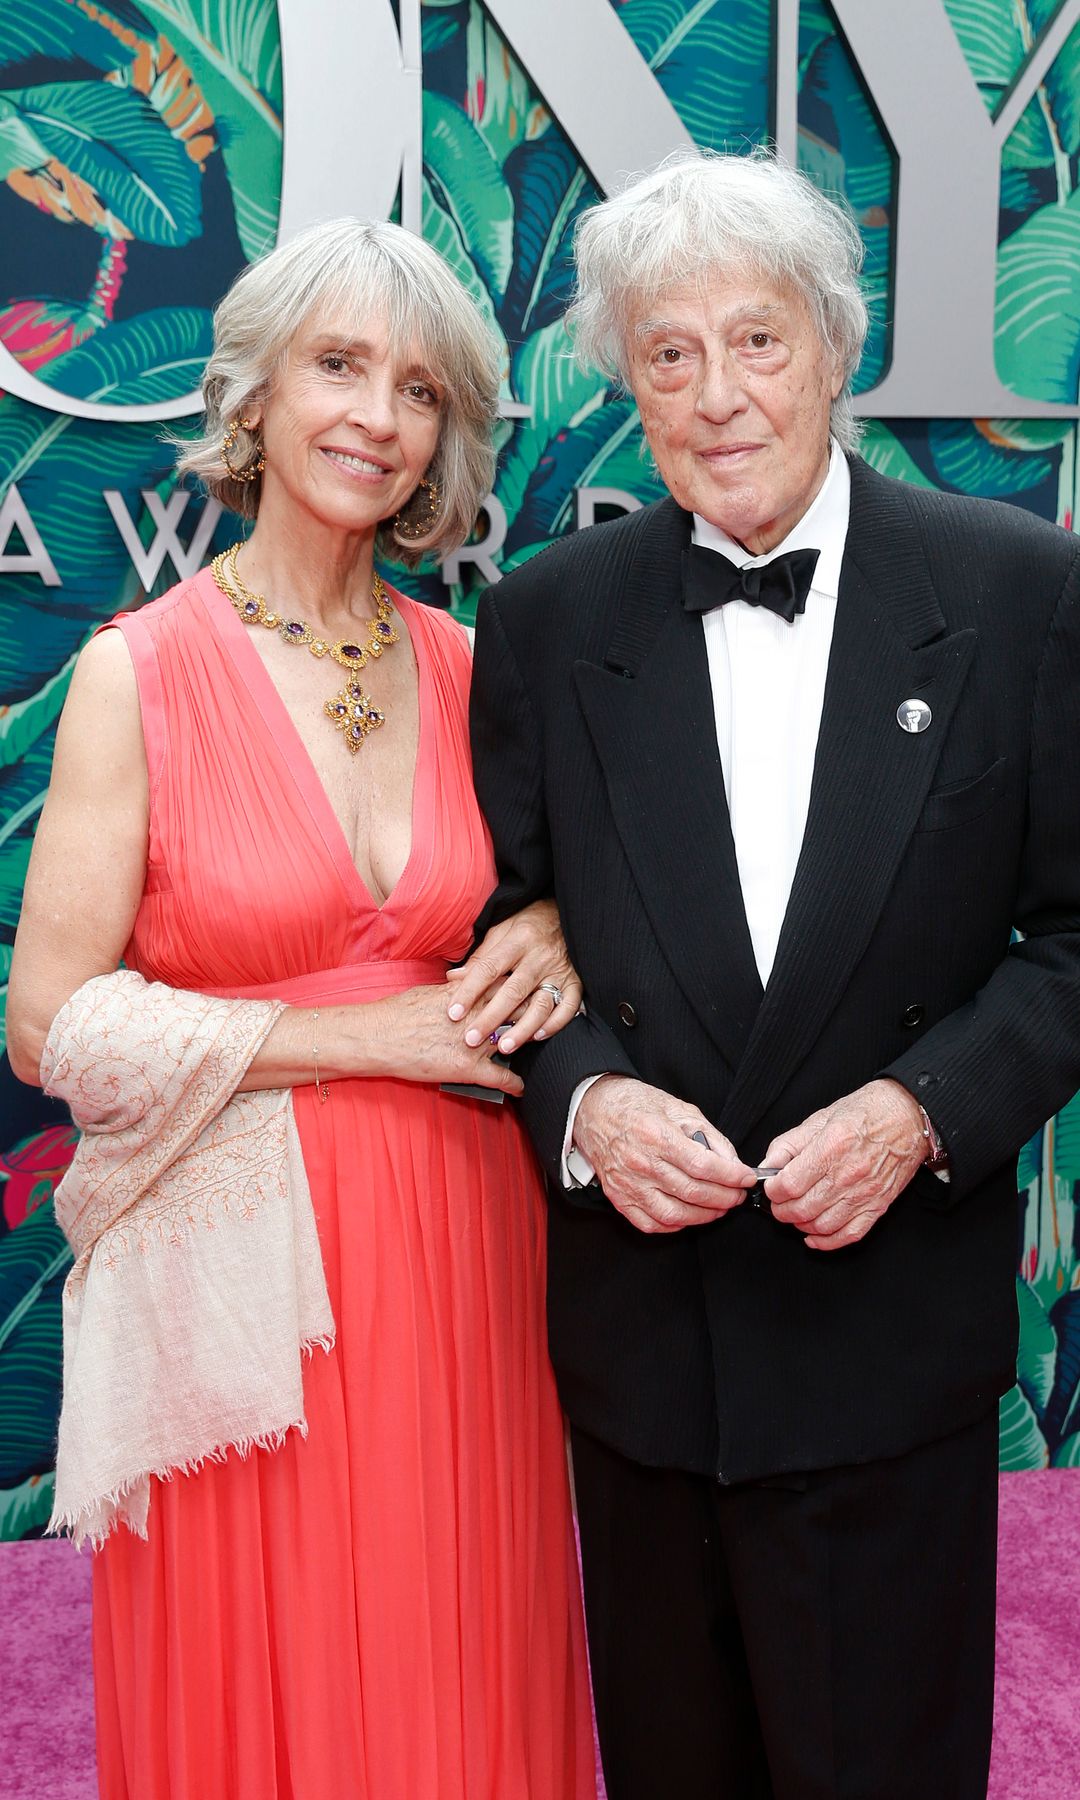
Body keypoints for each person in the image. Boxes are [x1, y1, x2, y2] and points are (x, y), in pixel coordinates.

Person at [467, 151, 1080, 1799]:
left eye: (757, 341)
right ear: (627, 389)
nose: (718, 394)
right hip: (648, 1357)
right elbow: (504, 936)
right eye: (669, 354)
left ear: (834, 347)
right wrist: (587, 1099)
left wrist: (921, 1107)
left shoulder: (1019, 593)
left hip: (888, 1340)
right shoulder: (543, 623)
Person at [7, 218, 597, 1800]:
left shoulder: (483, 671)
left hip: (469, 1253)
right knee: (261, 1688)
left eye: (416, 388)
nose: (375, 417)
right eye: (337, 365)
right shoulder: (139, 672)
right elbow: (48, 1024)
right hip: (238, 1281)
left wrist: (547, 924)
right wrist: (362, 1039)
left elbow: (564, 907)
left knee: (458, 1659)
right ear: (255, 393)